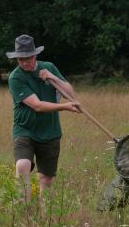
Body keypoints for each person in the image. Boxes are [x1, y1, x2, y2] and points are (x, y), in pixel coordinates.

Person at [5, 34, 81, 208]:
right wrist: (65, 107)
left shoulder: (49, 67)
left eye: (28, 58)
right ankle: (22, 211)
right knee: (22, 165)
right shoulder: (15, 78)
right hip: (25, 130)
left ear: (35, 55)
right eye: (20, 59)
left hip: (50, 131)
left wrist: (53, 78)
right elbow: (37, 105)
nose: (25, 63)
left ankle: (45, 217)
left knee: (46, 180)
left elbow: (70, 92)